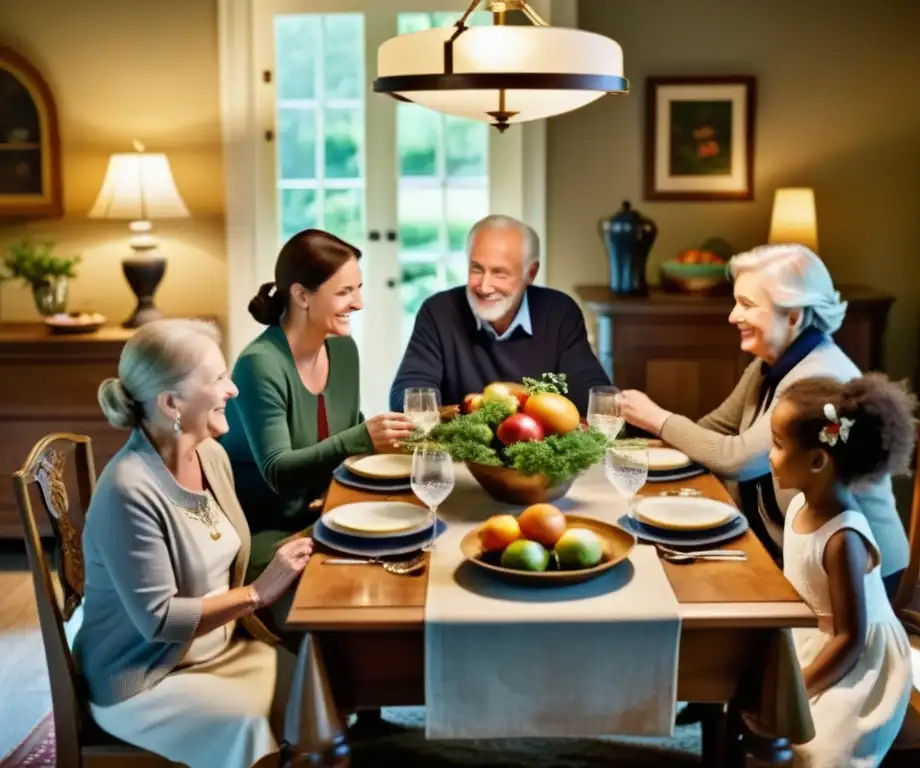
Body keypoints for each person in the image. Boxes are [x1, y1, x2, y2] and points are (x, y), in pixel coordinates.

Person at [74, 319, 312, 768]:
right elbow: (161, 620)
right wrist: (259, 593)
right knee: (248, 724)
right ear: (172, 403)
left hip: (220, 650)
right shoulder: (129, 490)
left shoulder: (210, 455)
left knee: (313, 679)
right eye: (219, 378)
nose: (233, 389)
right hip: (145, 678)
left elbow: (226, 547)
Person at [619, 244, 909, 595]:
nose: (732, 316)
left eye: (747, 305)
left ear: (793, 316)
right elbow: (715, 428)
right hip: (792, 555)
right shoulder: (769, 365)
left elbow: (737, 459)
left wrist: (655, 417)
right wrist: (635, 444)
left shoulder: (818, 382)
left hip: (856, 575)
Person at [220, 229, 416, 591]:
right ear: (301, 296)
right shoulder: (260, 364)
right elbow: (278, 471)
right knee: (356, 590)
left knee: (408, 562)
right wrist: (362, 438)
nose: (359, 303)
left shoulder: (343, 350)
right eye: (345, 292)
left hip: (329, 515)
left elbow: (345, 429)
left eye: (358, 288)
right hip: (267, 536)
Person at [768, 374, 914, 767]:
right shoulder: (800, 505)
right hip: (815, 638)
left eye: (778, 445)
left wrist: (798, 691)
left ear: (818, 460)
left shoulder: (842, 538)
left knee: (821, 755)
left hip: (859, 663)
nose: (769, 454)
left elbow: (851, 638)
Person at [388, 214, 611, 415]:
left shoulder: (560, 313)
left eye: (499, 273)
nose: (485, 286)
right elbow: (405, 397)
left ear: (530, 273)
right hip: (459, 454)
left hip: (536, 454)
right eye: (476, 269)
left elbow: (593, 401)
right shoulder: (438, 311)